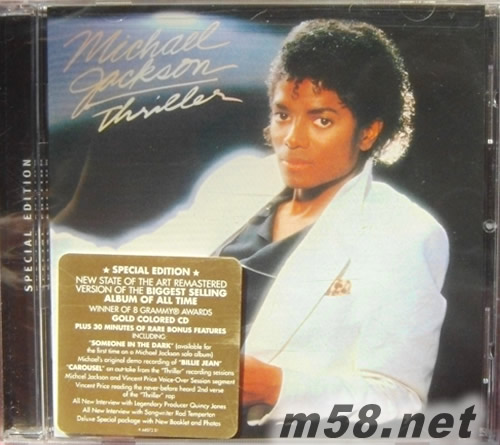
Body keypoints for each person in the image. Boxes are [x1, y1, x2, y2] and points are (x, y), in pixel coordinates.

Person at [52, 18, 449, 437]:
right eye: (283, 114)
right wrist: (43, 246)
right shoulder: (241, 177)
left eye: (322, 120)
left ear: (369, 132)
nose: (292, 138)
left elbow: (400, 403)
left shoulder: (405, 233)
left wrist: (272, 386)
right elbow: (134, 270)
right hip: (155, 417)